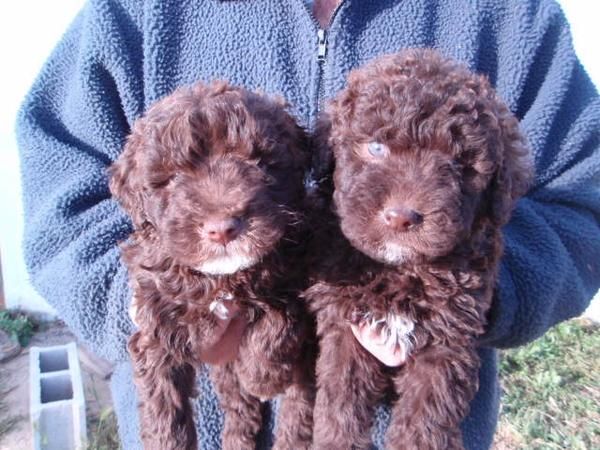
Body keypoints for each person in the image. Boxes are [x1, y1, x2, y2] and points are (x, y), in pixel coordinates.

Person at [16, 0, 600, 449]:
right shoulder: (133, 11)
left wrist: (468, 298)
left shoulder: (510, 14)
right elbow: (63, 193)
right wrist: (150, 305)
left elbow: (580, 202)